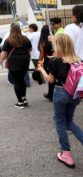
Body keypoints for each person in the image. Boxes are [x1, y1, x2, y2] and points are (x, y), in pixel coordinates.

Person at [38, 34, 83, 168]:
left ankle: (66, 154)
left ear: (58, 45)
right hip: (74, 94)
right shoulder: (78, 59)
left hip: (61, 93)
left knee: (61, 123)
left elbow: (51, 80)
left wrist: (41, 70)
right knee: (69, 121)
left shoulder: (56, 60)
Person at [0, 24, 32, 109]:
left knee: (16, 81)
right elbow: (30, 49)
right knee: (22, 79)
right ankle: (24, 98)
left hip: (13, 62)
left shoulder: (8, 40)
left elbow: (3, 52)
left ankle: (20, 102)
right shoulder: (25, 39)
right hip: (24, 60)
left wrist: (0, 61)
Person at [38, 25, 54, 101]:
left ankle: (51, 95)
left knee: (50, 79)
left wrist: (39, 64)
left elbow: (41, 54)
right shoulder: (54, 39)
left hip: (48, 61)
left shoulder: (43, 42)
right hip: (56, 59)